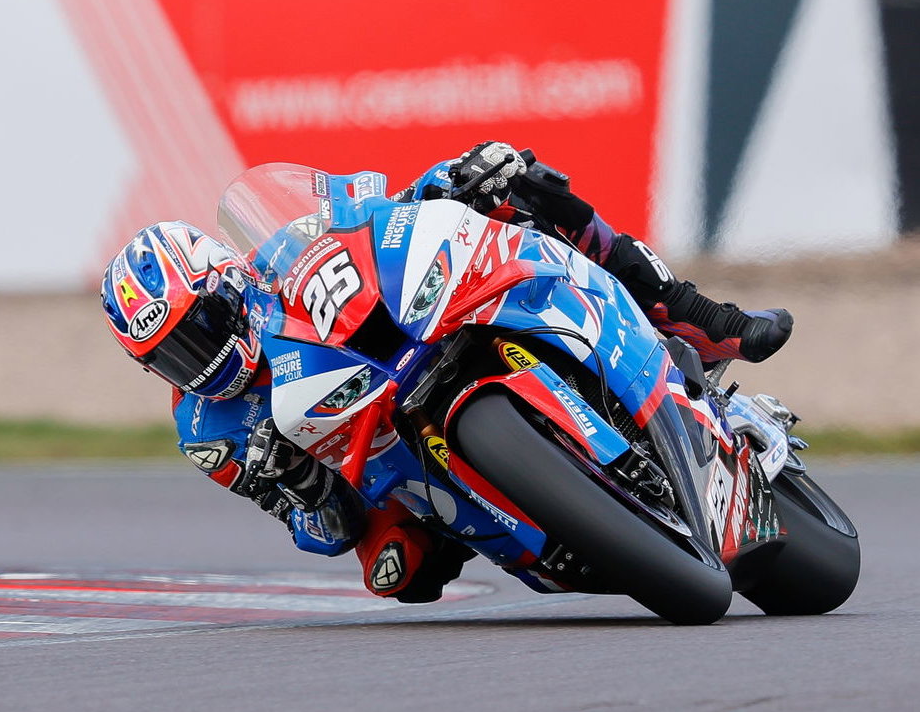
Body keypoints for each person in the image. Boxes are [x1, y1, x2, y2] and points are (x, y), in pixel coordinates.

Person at [100, 142, 794, 604]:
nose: (195, 360)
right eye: (168, 356)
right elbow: (323, 532)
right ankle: (549, 516)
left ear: (225, 284)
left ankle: (693, 316)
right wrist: (304, 488)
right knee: (395, 570)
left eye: (198, 330)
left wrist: (448, 182)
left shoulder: (277, 254)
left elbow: (371, 212)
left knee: (511, 177)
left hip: (415, 329)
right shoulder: (206, 431)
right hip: (378, 458)